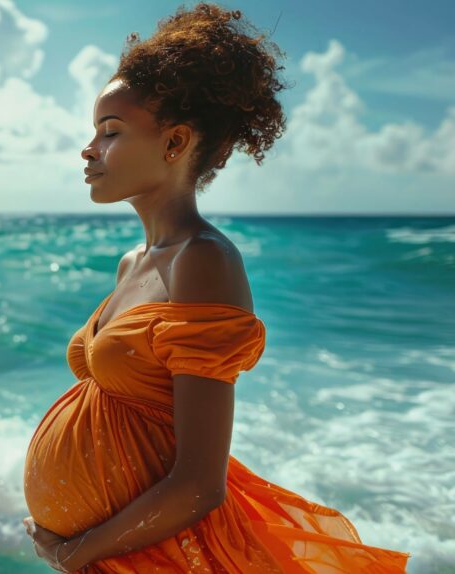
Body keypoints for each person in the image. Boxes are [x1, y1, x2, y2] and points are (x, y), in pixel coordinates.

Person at [21, 3, 412, 572]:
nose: (89, 149)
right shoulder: (134, 262)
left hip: (163, 559)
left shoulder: (203, 261)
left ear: (175, 142)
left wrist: (77, 551)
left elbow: (200, 484)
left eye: (110, 132)